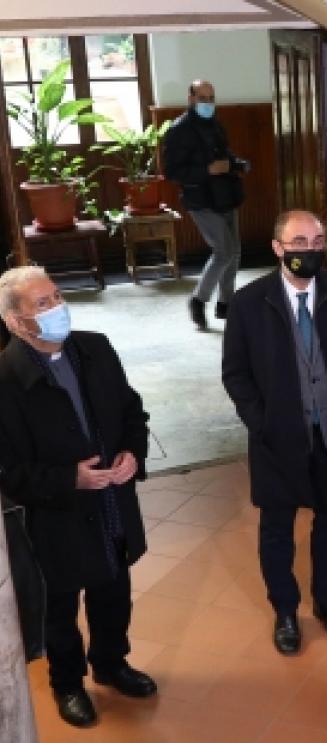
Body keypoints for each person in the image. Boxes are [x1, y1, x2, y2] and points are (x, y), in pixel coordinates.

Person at [0, 266, 155, 728]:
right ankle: (67, 684)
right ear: (15, 321)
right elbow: (8, 472)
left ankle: (111, 662)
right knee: (60, 606)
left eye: (57, 297)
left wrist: (132, 453)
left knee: (114, 589)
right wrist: (70, 479)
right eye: (42, 304)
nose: (57, 308)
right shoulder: (5, 380)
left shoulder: (95, 349)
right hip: (56, 516)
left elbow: (132, 411)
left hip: (110, 502)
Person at [222, 209, 327, 655]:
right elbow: (235, 374)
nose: (309, 251)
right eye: (298, 243)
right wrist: (262, 422)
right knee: (277, 530)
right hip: (278, 440)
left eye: (316, 242)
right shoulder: (249, 303)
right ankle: (285, 611)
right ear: (277, 248)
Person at [163, 79, 248, 331]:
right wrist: (207, 170)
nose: (208, 103)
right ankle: (198, 300)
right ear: (191, 99)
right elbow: (172, 172)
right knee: (223, 251)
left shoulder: (215, 124)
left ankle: (226, 304)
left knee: (234, 252)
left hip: (226, 194)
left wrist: (236, 164)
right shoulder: (179, 130)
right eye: (202, 98)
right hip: (200, 199)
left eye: (211, 98)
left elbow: (223, 154)